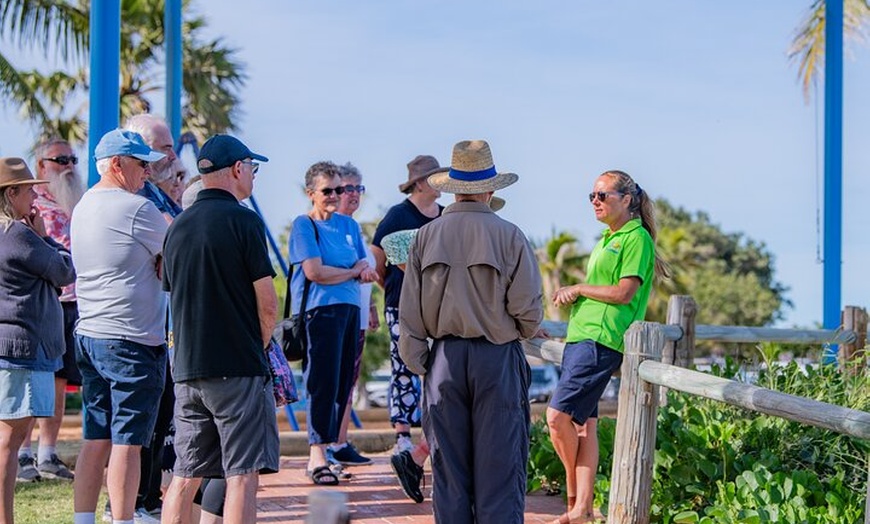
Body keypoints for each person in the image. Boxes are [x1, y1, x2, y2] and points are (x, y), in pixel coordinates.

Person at [399, 139, 543, 523]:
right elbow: (528, 313)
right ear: (491, 188)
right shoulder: (510, 235)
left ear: (453, 187)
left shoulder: (425, 236)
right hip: (496, 357)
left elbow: (409, 310)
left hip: (443, 359)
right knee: (500, 470)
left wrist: (420, 362)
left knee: (449, 473)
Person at [161, 134, 279, 524]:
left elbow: (173, 296)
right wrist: (257, 347)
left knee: (184, 474)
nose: (254, 177)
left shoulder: (176, 228)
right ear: (238, 169)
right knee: (241, 475)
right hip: (236, 366)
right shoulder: (245, 221)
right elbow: (267, 303)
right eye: (253, 169)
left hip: (187, 369)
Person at [546, 170, 668, 524]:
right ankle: (581, 508)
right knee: (585, 427)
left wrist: (580, 289)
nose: (595, 202)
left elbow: (623, 293)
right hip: (581, 335)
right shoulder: (606, 238)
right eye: (592, 196)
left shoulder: (636, 238)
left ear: (627, 199)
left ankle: (572, 488)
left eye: (602, 195)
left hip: (601, 340)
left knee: (556, 419)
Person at [70, 129, 168, 524]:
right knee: (129, 443)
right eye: (141, 164)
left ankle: (83, 519)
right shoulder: (136, 209)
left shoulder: (83, 206)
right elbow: (174, 258)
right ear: (116, 164)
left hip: (90, 331)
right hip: (131, 339)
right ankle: (124, 519)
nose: (147, 172)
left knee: (96, 438)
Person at [289, 161, 378, 486]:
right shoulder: (304, 226)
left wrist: (351, 272)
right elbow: (315, 272)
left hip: (349, 312)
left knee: (343, 385)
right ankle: (316, 455)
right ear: (311, 193)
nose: (336, 195)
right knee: (322, 383)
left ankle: (329, 451)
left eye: (339, 189)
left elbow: (358, 264)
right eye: (328, 190)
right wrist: (352, 273)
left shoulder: (349, 226)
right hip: (319, 313)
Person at [0, 157, 76, 524]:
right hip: (22, 348)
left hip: (15, 347)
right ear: (10, 193)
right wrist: (44, 236)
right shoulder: (18, 234)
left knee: (10, 442)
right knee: (8, 443)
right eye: (29, 189)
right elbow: (64, 270)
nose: (35, 195)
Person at [370, 154, 442, 501]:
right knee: (403, 366)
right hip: (401, 304)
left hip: (437, 309)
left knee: (435, 370)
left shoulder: (443, 216)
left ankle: (423, 437)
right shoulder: (398, 216)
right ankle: (402, 433)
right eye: (436, 178)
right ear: (422, 182)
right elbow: (378, 260)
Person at [121, 113, 181, 522]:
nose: (173, 155)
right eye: (164, 149)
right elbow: (172, 250)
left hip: (163, 325)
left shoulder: (163, 198)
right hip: (140, 325)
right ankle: (137, 501)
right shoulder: (139, 201)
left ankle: (150, 497)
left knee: (162, 416)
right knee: (143, 420)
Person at [16, 138, 85, 483]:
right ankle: (23, 453)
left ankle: (48, 453)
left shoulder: (78, 201)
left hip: (74, 302)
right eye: (61, 159)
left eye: (72, 158)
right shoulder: (30, 208)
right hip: (44, 303)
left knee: (59, 383)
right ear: (42, 166)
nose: (69, 165)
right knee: (33, 380)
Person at [328, 162, 378, 467]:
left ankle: (340, 439)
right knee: (330, 382)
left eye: (358, 188)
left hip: (356, 316)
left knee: (348, 381)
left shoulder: (354, 228)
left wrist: (370, 306)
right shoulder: (327, 226)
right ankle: (326, 445)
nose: (354, 195)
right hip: (333, 315)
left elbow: (364, 269)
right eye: (348, 188)